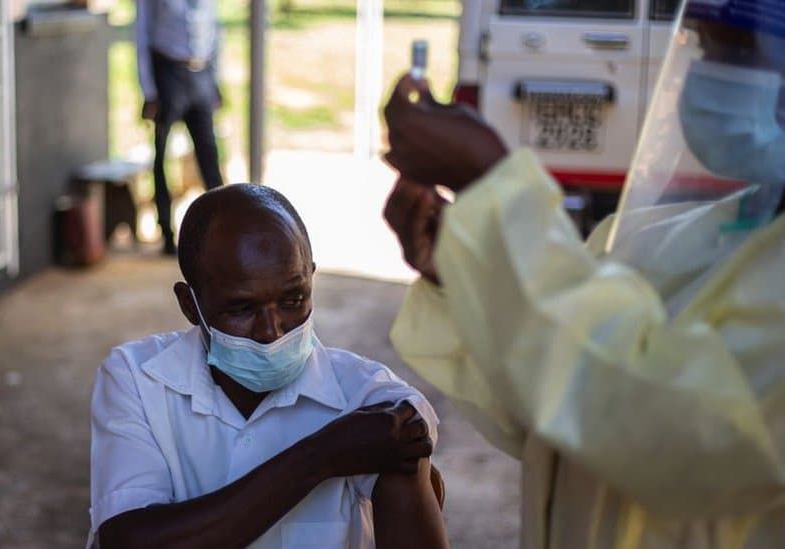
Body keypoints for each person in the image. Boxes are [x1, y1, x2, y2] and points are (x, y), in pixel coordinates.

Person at [382, 0, 785, 547]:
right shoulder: (665, 240)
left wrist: (496, 189)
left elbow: (682, 439)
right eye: (706, 46)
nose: (710, 75)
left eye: (740, 51)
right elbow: (557, 413)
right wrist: (460, 279)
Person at [88, 184, 448, 548]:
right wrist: (321, 456)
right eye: (241, 309)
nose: (271, 331)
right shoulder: (137, 378)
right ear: (189, 305)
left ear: (311, 277)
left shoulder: (370, 400)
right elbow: (127, 541)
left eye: (293, 299)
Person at [135, 0, 225, 255]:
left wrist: (216, 79)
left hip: (202, 73)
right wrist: (149, 90)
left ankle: (223, 229)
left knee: (209, 154)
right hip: (168, 73)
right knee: (162, 156)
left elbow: (215, 27)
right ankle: (166, 232)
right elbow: (142, 34)